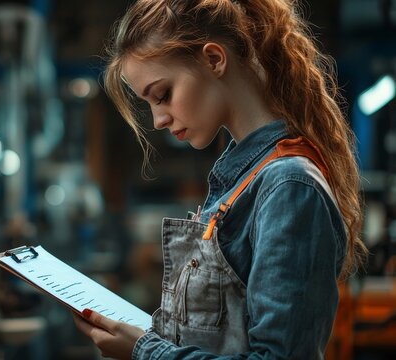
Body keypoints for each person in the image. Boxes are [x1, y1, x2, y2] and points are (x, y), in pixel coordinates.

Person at [72, 0, 368, 358]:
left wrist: (145, 352)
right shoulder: (241, 180)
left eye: (163, 95)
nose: (158, 120)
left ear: (214, 59)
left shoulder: (289, 187)